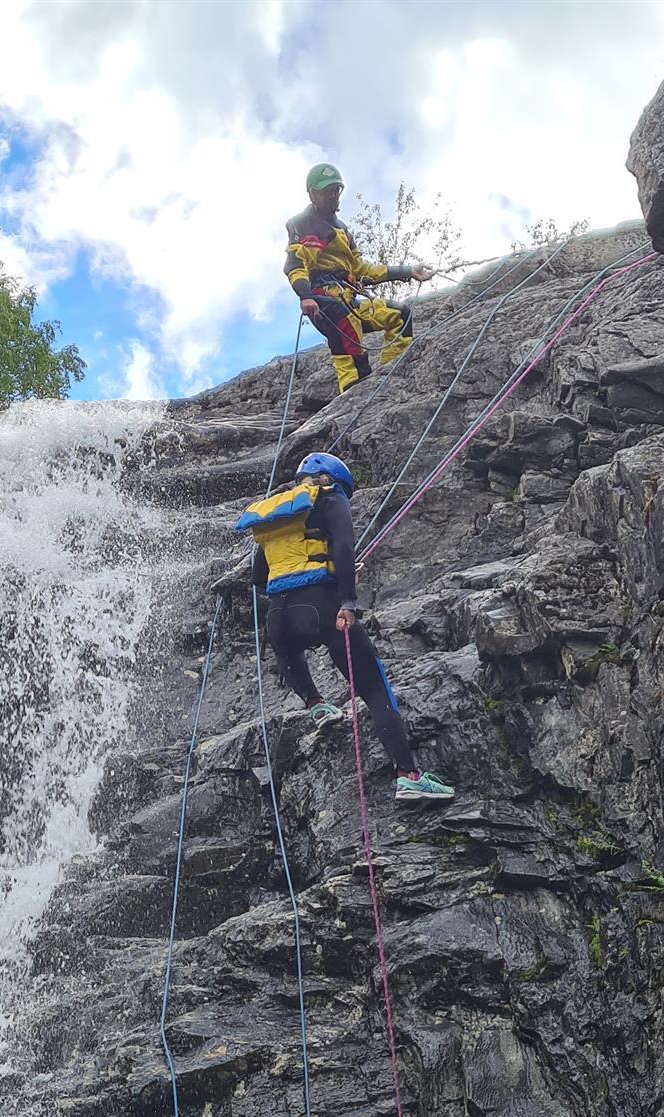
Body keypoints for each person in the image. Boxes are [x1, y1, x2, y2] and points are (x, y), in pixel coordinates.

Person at [236, 451, 454, 804]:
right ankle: (409, 775)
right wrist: (348, 600)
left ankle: (316, 704)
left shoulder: (275, 514)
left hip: (279, 616)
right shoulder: (329, 497)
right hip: (322, 607)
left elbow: (259, 577)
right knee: (373, 687)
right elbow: (343, 545)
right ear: (333, 480)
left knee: (289, 651)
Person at [284, 163, 434, 395]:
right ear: (313, 194)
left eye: (336, 190)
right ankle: (354, 388)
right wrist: (306, 296)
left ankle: (390, 373)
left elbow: (361, 270)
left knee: (399, 314)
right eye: (326, 191)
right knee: (346, 323)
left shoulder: (342, 230)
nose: (332, 196)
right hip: (323, 298)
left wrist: (407, 271)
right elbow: (296, 265)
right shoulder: (302, 224)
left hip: (348, 297)